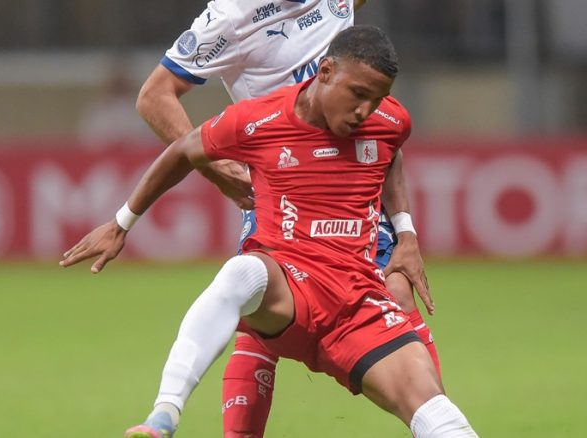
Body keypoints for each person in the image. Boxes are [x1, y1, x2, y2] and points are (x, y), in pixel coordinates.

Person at [60, 25, 478, 438]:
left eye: (377, 99)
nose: (364, 112)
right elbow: (183, 150)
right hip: (290, 289)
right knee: (242, 274)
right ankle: (164, 415)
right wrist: (122, 223)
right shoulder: (258, 120)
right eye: (357, 95)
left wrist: (405, 232)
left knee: (441, 417)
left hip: (357, 303)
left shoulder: (390, 121)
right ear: (326, 71)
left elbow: (390, 154)